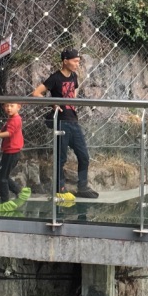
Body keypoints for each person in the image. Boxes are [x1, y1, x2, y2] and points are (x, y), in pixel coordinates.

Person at [32, 48, 99, 199]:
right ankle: (60, 188)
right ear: (65, 61)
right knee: (61, 158)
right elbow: (36, 93)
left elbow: (73, 94)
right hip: (61, 122)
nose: (77, 64)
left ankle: (82, 187)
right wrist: (52, 103)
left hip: (73, 121)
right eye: (75, 61)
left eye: (78, 61)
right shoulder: (55, 78)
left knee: (84, 156)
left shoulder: (74, 76)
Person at [0, 101, 28, 206]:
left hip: (12, 152)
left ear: (19, 107)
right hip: (9, 151)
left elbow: (8, 133)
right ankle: (19, 191)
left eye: (12, 105)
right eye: (7, 105)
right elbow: (2, 130)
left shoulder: (16, 119)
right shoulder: (11, 119)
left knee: (2, 178)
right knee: (3, 176)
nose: (9, 108)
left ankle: (5, 201)